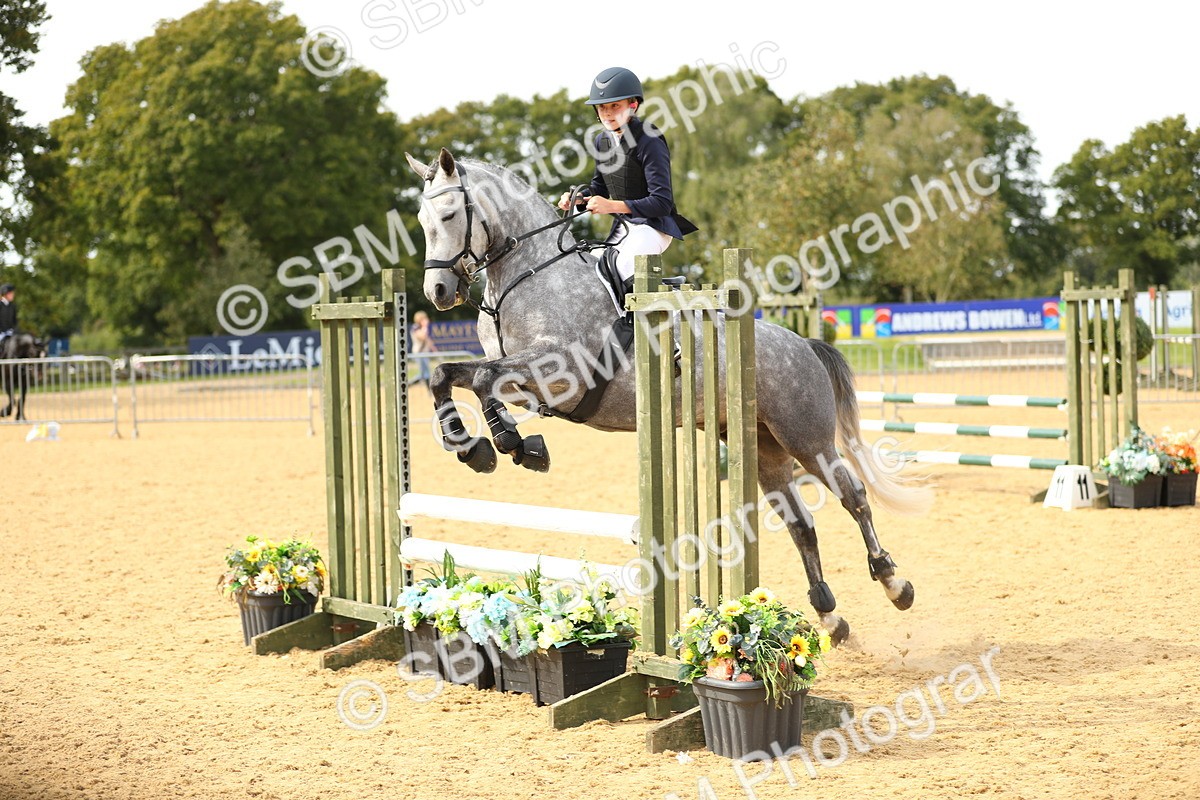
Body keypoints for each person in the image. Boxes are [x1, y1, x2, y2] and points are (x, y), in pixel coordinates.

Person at [557, 67, 698, 292]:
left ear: (633, 104)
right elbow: (599, 187)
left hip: (654, 228)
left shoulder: (649, 139)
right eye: (602, 107)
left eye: (615, 106)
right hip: (624, 228)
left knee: (620, 269)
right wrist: (578, 198)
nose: (607, 113)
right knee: (588, 270)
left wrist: (612, 206)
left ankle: (638, 314)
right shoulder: (602, 141)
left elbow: (662, 202)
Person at [411, 310, 437, 392]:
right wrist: (425, 327)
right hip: (419, 353)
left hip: (424, 353)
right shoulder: (416, 327)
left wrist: (434, 350)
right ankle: (408, 384)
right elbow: (422, 337)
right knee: (425, 373)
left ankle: (428, 390)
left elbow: (428, 340)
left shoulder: (423, 328)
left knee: (424, 373)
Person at [0, 283, 16, 352]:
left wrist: (13, 330)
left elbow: (15, 321)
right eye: (11, 293)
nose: (13, 295)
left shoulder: (12, 306)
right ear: (5, 294)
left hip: (10, 332)